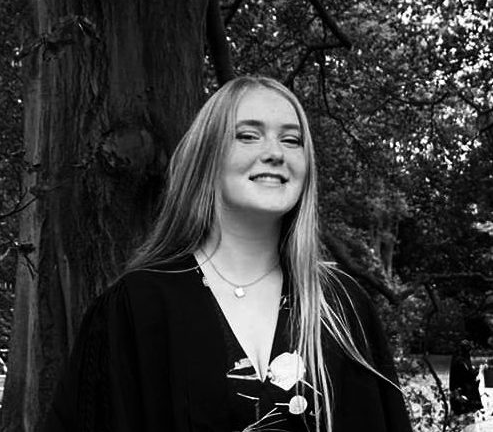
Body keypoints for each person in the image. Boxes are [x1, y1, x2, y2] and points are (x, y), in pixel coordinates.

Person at [43, 75, 412, 432]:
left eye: (292, 140)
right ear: (208, 156)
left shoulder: (342, 308)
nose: (275, 153)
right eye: (248, 136)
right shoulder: (137, 306)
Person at [449, 340, 483, 415]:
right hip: (463, 390)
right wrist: (475, 372)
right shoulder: (461, 360)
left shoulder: (458, 358)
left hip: (458, 389)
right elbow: (467, 374)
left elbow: (467, 371)